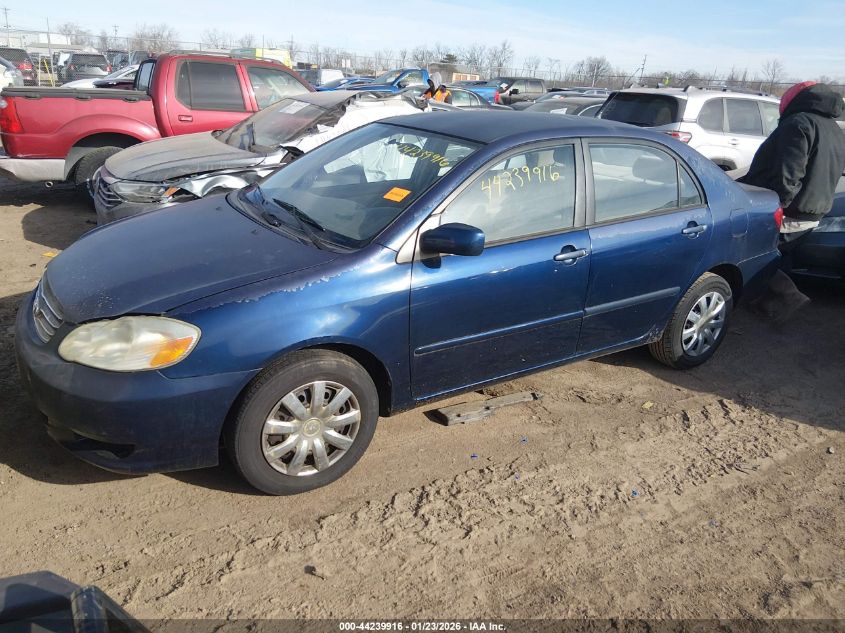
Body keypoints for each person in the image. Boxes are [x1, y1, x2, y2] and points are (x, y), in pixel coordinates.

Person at [740, 81, 845, 321]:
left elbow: (789, 172)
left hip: (788, 208)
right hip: (814, 206)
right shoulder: (832, 127)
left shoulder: (798, 124)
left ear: (793, 100)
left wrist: (778, 205)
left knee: (752, 252)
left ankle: (788, 297)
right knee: (778, 255)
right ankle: (767, 304)